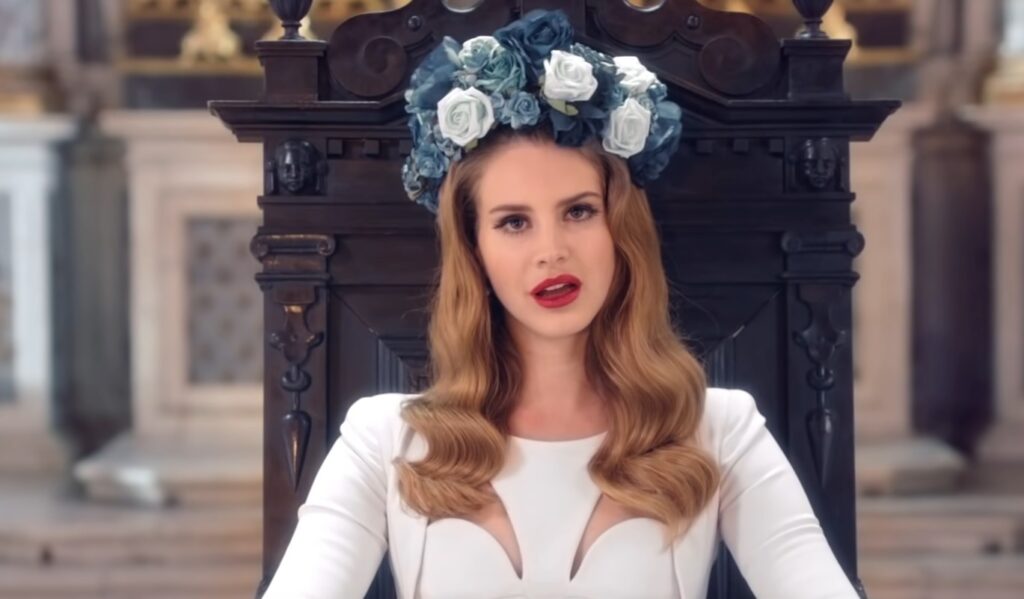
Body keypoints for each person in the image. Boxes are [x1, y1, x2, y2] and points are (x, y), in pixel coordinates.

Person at [263, 9, 859, 599]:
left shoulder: (719, 430)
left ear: (619, 230)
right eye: (514, 222)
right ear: (475, 251)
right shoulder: (383, 440)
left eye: (578, 211)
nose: (552, 251)